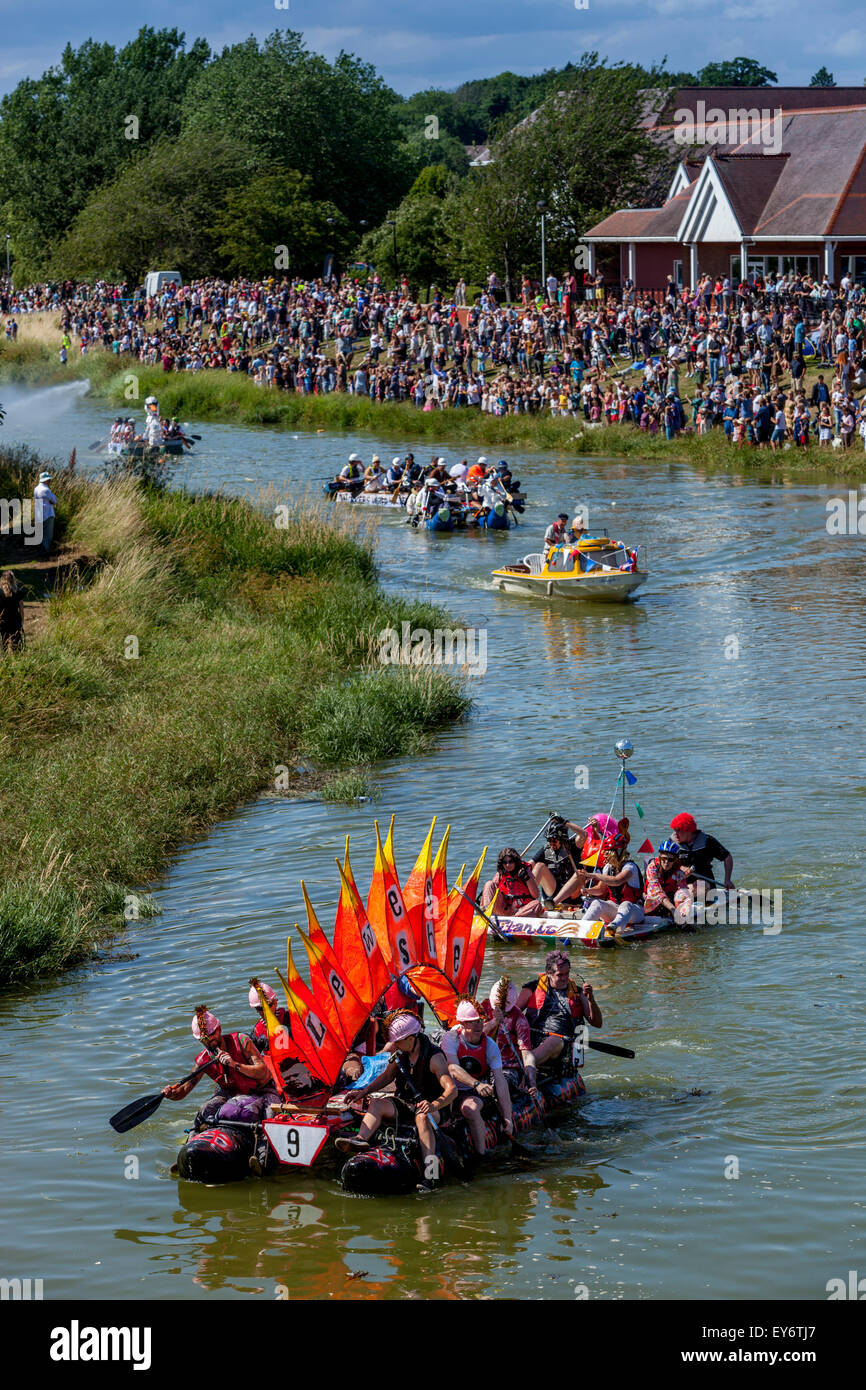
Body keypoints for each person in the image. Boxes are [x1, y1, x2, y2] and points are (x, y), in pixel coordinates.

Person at [336, 1011, 457, 1193]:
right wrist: (363, 1092)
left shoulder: (434, 1057)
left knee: (422, 1117)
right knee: (376, 1103)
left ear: (412, 1038)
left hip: (435, 1108)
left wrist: (434, 1105)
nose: (395, 1045)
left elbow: (452, 1090)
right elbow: (387, 1076)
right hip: (408, 1103)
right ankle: (360, 1140)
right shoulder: (401, 1053)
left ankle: (430, 1175)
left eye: (398, 1041)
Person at [162, 1006, 278, 1136]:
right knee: (205, 1109)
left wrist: (235, 1064)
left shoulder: (241, 1041)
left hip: (262, 1091)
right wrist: (171, 1094)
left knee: (270, 1115)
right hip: (231, 1094)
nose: (210, 1040)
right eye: (204, 1039)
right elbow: (183, 1091)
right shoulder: (203, 1060)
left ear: (219, 1029)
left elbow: (262, 1072)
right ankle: (196, 1137)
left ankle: (265, 1147)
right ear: (199, 1039)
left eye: (212, 1034)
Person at [440, 999, 514, 1154]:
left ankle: (482, 1154)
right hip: (452, 1090)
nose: (478, 1026)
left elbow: (500, 1081)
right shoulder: (451, 1038)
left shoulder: (490, 1046)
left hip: (475, 1093)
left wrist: (508, 1118)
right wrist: (476, 1084)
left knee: (471, 1109)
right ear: (462, 1024)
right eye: (472, 1022)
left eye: (480, 1021)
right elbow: (452, 1068)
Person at [516, 950, 601, 1072]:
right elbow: (512, 1015)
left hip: (563, 1047)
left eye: (567, 974)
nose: (565, 978)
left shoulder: (579, 993)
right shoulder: (531, 989)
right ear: (548, 973)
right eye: (560, 975)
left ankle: (523, 1065)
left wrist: (591, 1000)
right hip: (532, 1042)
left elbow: (597, 1023)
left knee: (554, 1040)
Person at [479, 976, 538, 1097]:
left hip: (508, 1067)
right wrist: (494, 1022)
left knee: (500, 1085)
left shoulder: (519, 1019)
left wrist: (531, 1080)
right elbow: (473, 1035)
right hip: (484, 1063)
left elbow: (527, 1053)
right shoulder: (484, 1007)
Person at [579, 838, 645, 935]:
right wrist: (587, 890)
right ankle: (582, 927)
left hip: (635, 912)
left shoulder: (630, 867)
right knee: (597, 902)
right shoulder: (608, 868)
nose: (605, 857)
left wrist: (594, 875)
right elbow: (600, 890)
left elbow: (617, 881)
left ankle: (615, 927)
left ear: (618, 853)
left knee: (626, 904)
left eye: (608, 853)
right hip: (615, 909)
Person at [530, 816, 588, 907]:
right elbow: (530, 864)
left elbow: (584, 834)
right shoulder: (546, 849)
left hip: (572, 893)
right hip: (553, 890)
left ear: (561, 839)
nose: (551, 843)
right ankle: (528, 898)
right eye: (549, 840)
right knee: (539, 866)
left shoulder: (572, 846)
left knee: (580, 874)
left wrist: (565, 822)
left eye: (554, 840)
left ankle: (553, 903)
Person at [669, 812, 734, 890]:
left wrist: (727, 880)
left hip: (705, 883)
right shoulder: (672, 843)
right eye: (674, 830)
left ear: (688, 831)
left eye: (678, 831)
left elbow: (727, 857)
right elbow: (663, 862)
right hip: (681, 882)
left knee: (698, 887)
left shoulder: (707, 841)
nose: (675, 834)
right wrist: (679, 867)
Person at [481, 848, 542, 917]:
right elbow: (491, 889)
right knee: (489, 884)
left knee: (537, 904)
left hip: (521, 910)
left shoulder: (525, 871)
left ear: (515, 861)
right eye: (505, 862)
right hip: (504, 908)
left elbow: (536, 895)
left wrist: (526, 877)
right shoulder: (500, 873)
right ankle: (485, 912)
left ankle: (516, 918)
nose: (507, 865)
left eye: (510, 861)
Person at [643, 839, 691, 920]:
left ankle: (681, 917)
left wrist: (683, 910)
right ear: (659, 857)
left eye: (670, 860)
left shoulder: (678, 872)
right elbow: (657, 892)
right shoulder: (652, 868)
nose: (666, 862)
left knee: (684, 895)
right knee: (655, 896)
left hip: (670, 899)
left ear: (675, 860)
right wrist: (673, 910)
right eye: (664, 858)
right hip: (652, 900)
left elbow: (683, 891)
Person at [33, 471, 57, 556]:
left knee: (40, 534)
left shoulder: (36, 488)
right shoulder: (46, 490)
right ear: (46, 481)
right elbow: (54, 500)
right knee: (48, 535)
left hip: (39, 512)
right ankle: (45, 552)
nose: (50, 481)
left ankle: (40, 552)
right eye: (49, 480)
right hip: (47, 513)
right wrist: (52, 498)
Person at [0, 570, 24, 651]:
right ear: (13, 579)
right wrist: (22, 620)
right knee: (16, 644)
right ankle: (17, 660)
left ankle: (5, 661)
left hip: (2, 621)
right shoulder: (17, 591)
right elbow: (21, 608)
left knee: (4, 643)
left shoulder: (0, 592)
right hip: (15, 620)